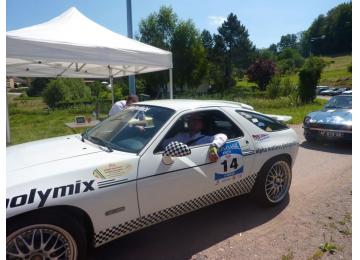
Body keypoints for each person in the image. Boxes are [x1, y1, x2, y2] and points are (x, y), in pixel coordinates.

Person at [163, 113, 228, 162]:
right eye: (190, 119)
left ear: (202, 123)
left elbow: (222, 136)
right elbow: (164, 144)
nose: (193, 122)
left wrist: (213, 147)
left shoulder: (206, 138)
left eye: (197, 120)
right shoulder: (181, 135)